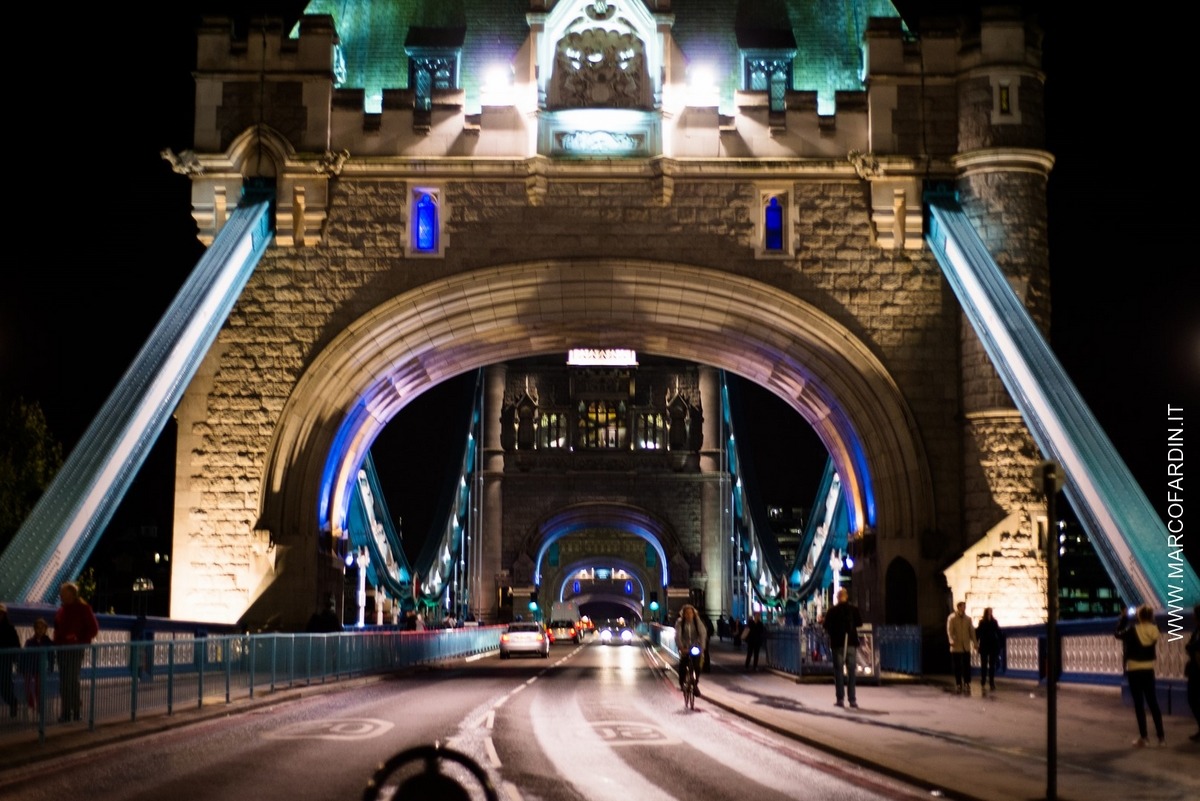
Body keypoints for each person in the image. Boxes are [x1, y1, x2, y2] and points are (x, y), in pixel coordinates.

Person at [1116, 604, 1165, 747]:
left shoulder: (1132, 630)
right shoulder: (1155, 630)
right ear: (1151, 617)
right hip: (1148, 669)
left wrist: (1124, 618)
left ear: (1139, 616)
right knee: (1153, 702)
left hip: (1134, 669)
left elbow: (1117, 633)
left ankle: (1144, 737)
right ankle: (1161, 738)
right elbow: (1154, 628)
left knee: (1139, 704)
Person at [53, 581, 100, 722]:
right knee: (64, 681)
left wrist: (78, 639)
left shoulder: (83, 608)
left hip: (75, 649)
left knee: (72, 680)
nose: (60, 596)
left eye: (63, 593)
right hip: (62, 650)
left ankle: (76, 711)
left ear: (71, 594)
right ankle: (66, 712)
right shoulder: (61, 610)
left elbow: (94, 629)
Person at [822, 588, 863, 708]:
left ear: (838, 598)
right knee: (851, 672)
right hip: (851, 643)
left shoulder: (833, 611)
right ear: (847, 597)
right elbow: (859, 623)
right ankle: (852, 699)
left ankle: (840, 698)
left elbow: (826, 625)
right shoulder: (853, 610)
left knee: (838, 671)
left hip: (837, 644)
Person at [674, 604, 708, 696]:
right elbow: (678, 636)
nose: (689, 615)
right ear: (683, 614)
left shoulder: (697, 622)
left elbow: (703, 634)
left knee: (697, 666)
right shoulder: (680, 622)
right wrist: (681, 647)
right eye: (687, 613)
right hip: (684, 647)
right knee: (683, 665)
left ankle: (695, 683)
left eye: (691, 613)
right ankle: (682, 682)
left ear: (694, 614)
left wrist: (702, 648)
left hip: (695, 647)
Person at [22, 617, 54, 713]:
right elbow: (25, 656)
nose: (40, 630)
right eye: (38, 627)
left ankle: (39, 707)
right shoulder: (30, 642)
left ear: (45, 629)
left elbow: (51, 655)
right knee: (27, 686)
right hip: (30, 667)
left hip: (40, 668)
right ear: (35, 629)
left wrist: (51, 666)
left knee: (38, 688)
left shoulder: (48, 642)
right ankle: (31, 703)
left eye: (42, 628)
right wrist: (23, 667)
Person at [946, 601, 976, 695]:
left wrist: (975, 643)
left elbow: (972, 631)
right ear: (958, 607)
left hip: (966, 645)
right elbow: (949, 630)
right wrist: (951, 640)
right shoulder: (952, 618)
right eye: (963, 607)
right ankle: (958, 682)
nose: (964, 608)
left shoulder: (968, 619)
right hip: (956, 645)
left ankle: (967, 682)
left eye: (965, 607)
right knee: (958, 666)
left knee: (967, 665)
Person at [976, 607, 1002, 693]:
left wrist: (1000, 642)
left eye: (991, 611)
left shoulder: (994, 622)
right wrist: (976, 644)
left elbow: (998, 632)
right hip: (984, 645)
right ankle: (983, 681)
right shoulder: (982, 622)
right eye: (989, 611)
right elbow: (978, 633)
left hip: (992, 646)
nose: (990, 613)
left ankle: (991, 682)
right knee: (984, 664)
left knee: (992, 665)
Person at [0, 603, 19, 716]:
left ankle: (12, 703)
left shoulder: (9, 628)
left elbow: (16, 645)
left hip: (5, 662)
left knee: (4, 686)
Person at [1186, 603, 1200, 742]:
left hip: (1197, 671)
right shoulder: (1197, 630)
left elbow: (1191, 646)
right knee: (1192, 699)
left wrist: (1191, 647)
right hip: (1195, 669)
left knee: (1193, 699)